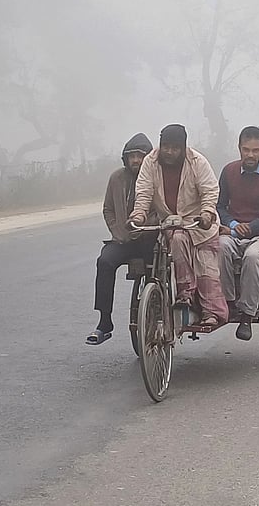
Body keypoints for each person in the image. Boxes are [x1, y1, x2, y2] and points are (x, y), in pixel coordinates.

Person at [129, 124, 229, 328]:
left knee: (206, 269)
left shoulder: (197, 162)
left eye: (175, 148)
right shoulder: (150, 161)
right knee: (176, 239)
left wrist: (207, 213)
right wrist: (138, 215)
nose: (169, 151)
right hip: (171, 224)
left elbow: (210, 191)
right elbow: (144, 192)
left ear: (183, 148)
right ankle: (183, 294)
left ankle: (211, 313)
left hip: (199, 226)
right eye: (165, 146)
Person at [87, 133, 156, 345]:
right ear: (125, 159)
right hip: (122, 240)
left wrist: (145, 227)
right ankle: (104, 323)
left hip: (150, 238)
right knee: (104, 262)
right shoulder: (116, 178)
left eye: (140, 155)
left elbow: (163, 209)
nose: (135, 160)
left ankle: (156, 307)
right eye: (131, 156)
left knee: (156, 266)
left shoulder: (156, 177)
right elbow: (108, 209)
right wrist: (118, 232)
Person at [217, 126, 259, 341]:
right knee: (221, 247)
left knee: (253, 256)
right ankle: (227, 303)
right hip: (233, 232)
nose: (251, 155)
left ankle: (247, 314)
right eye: (246, 150)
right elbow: (220, 207)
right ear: (239, 149)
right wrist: (234, 225)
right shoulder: (228, 171)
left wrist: (250, 228)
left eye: (255, 150)